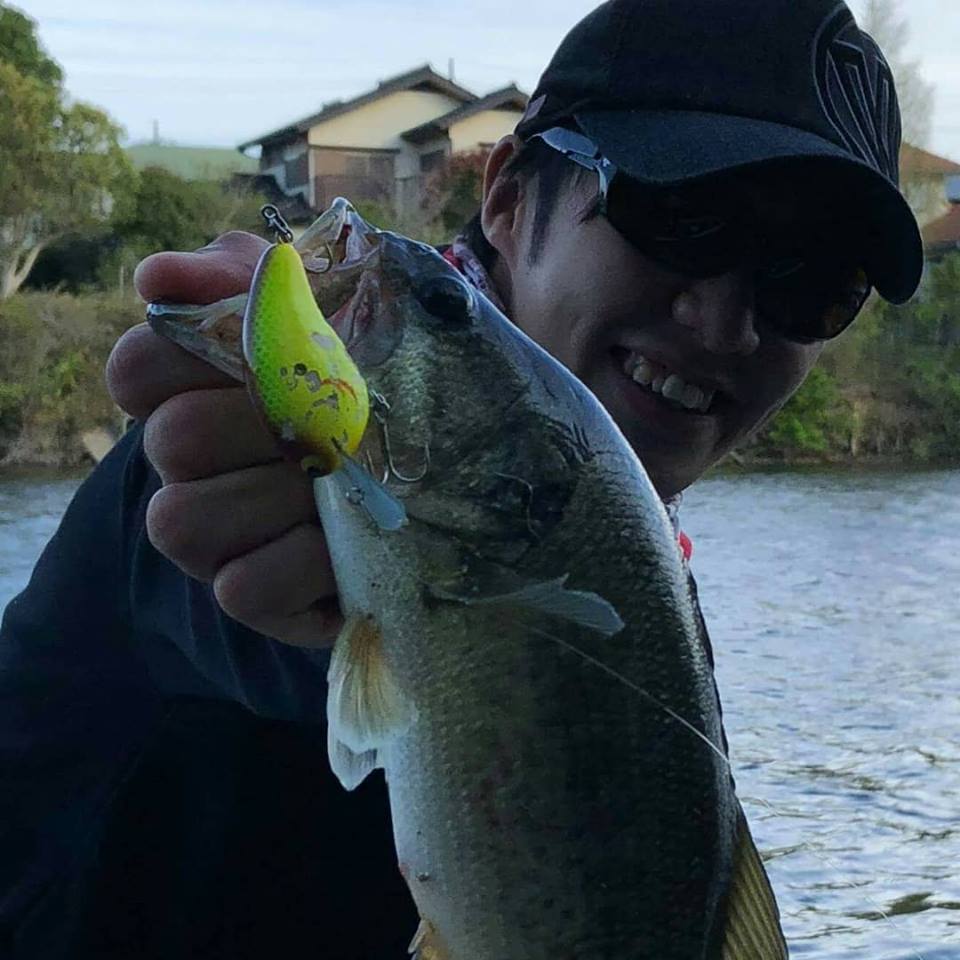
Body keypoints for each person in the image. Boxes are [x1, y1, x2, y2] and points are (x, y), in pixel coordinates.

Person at [0, 0, 922, 957]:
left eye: (814, 282)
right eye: (683, 216)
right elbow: (229, 593)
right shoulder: (300, 437)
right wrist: (271, 486)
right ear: (512, 199)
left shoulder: (626, 559)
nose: (727, 322)